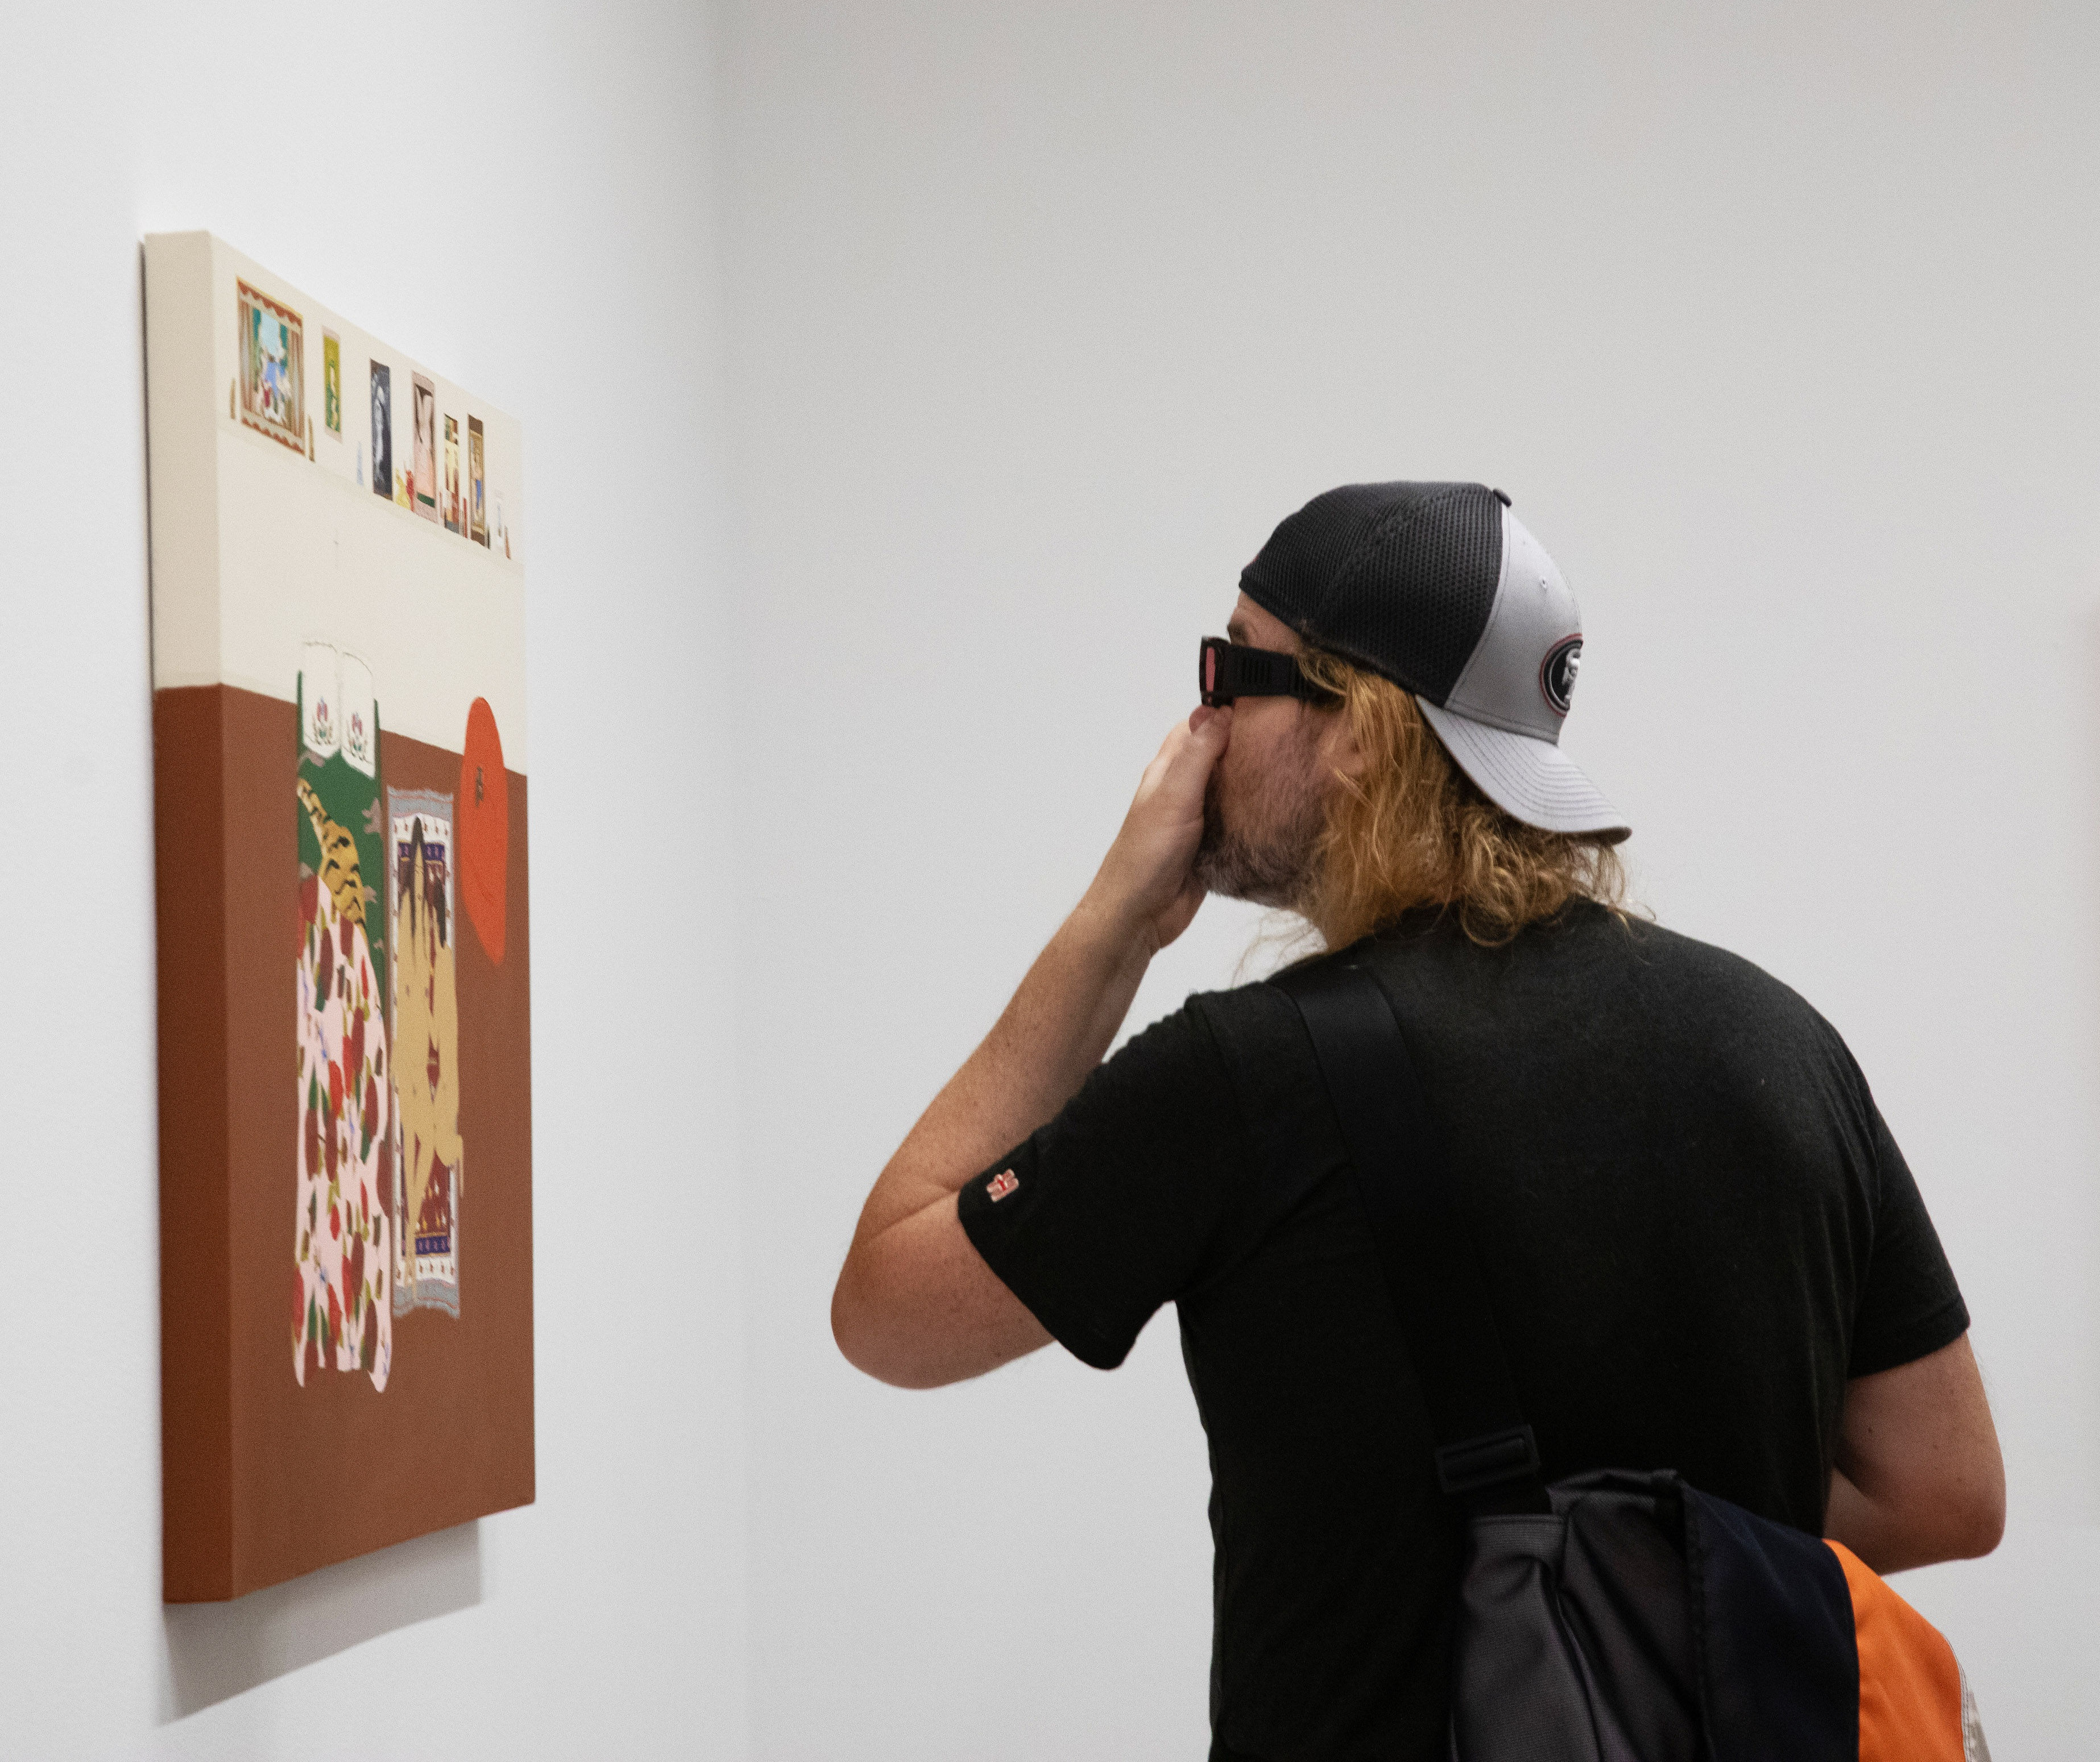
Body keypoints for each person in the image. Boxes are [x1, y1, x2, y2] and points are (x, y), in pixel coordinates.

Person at [830, 482, 2005, 1761]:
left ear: (1366, 735)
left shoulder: (1249, 1074)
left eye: (1232, 672)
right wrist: (1652, 1556)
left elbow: (889, 1302)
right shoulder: (1786, 1045)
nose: (1199, 724)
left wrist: (1116, 918)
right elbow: (1944, 1487)